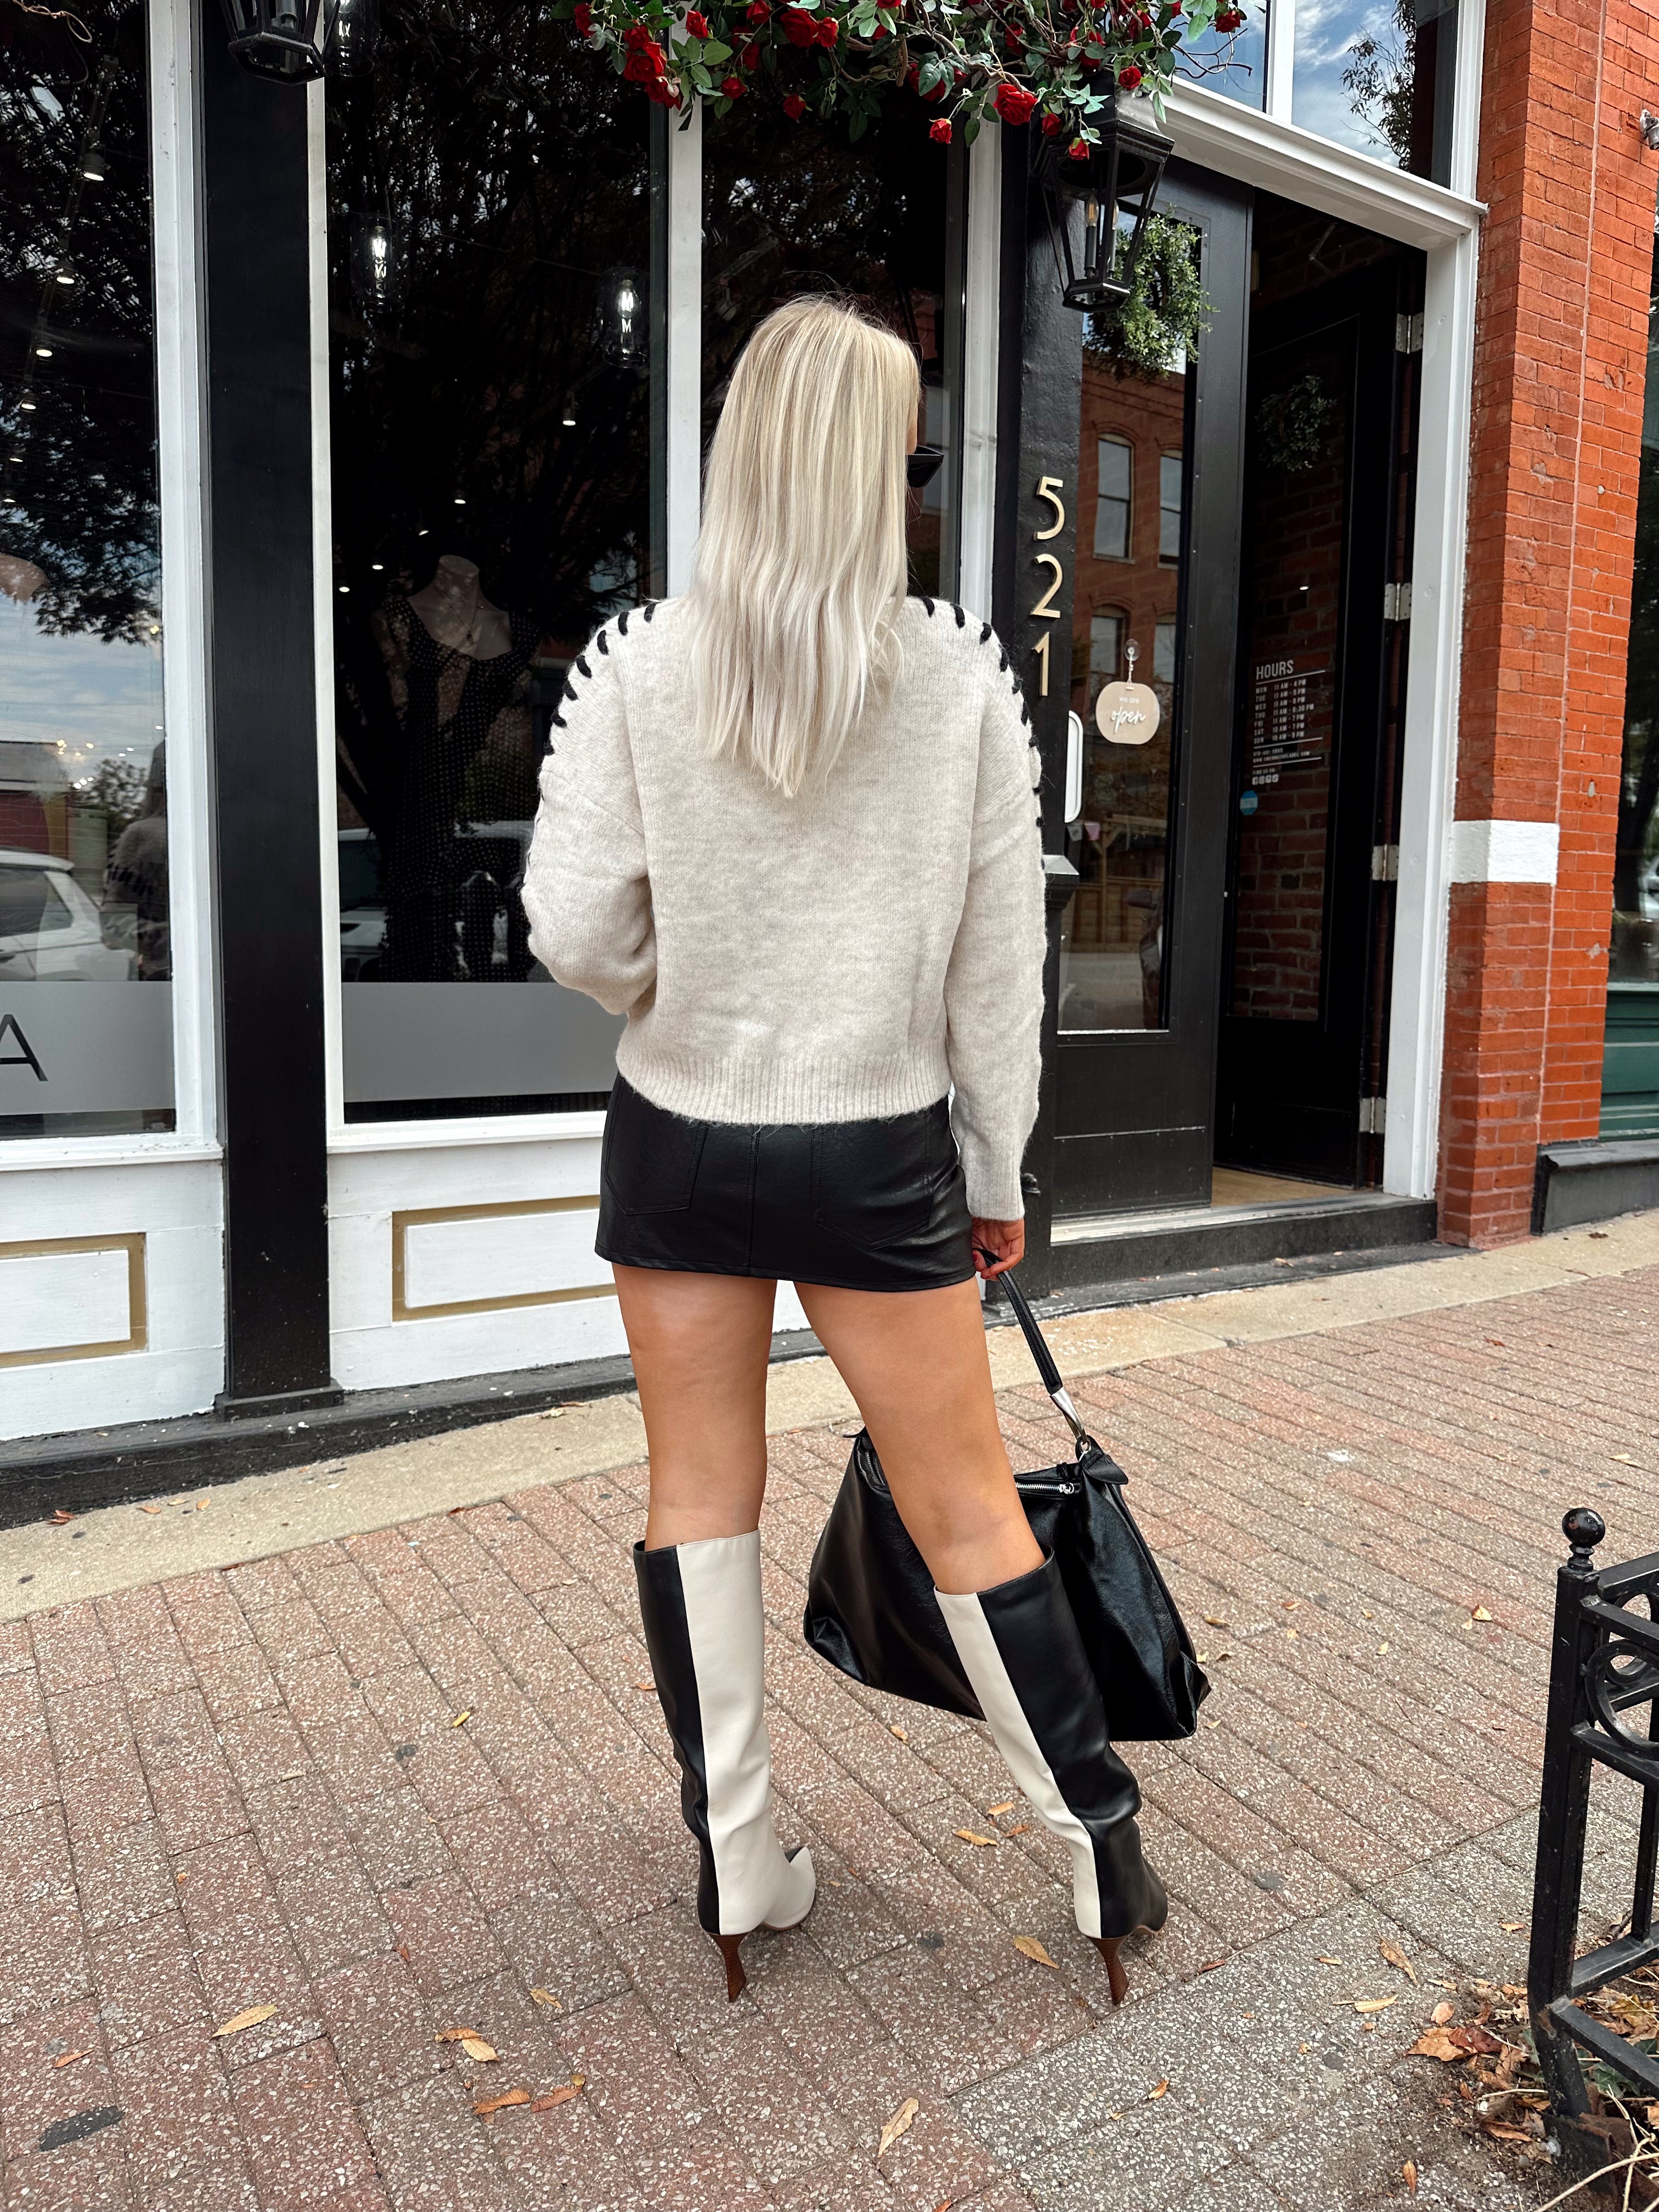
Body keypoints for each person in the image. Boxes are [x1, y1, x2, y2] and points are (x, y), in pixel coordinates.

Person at [522, 295, 1165, 2007]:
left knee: (694, 1500)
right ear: (868, 475)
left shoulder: (639, 667)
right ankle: (1094, 1845)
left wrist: (684, 990)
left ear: (742, 459)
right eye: (906, 454)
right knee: (968, 1505)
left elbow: (571, 923)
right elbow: (996, 974)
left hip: (679, 1134)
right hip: (879, 1148)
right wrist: (1003, 1171)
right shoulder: (957, 686)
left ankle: (736, 1865)